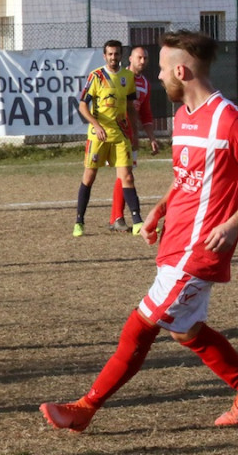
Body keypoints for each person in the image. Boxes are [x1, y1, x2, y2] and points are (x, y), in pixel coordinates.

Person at [41, 30, 238, 432]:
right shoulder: (183, 117)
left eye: (164, 69)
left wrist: (234, 224)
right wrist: (159, 210)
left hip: (198, 250)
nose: (157, 77)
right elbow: (186, 178)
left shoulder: (228, 119)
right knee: (187, 331)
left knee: (141, 324)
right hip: (175, 242)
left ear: (181, 71)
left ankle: (85, 408)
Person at [73, 40, 142, 237]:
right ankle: (79, 221)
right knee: (89, 176)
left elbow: (130, 107)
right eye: (110, 54)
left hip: (120, 134)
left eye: (117, 54)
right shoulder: (96, 76)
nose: (113, 57)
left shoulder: (128, 77)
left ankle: (137, 221)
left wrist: (134, 133)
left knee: (127, 177)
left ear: (121, 56)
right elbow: (82, 106)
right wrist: (96, 125)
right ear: (105, 56)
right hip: (98, 136)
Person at [108, 46, 161, 232]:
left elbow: (145, 113)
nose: (143, 61)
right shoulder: (120, 77)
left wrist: (151, 137)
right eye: (139, 57)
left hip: (132, 134)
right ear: (130, 58)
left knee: (125, 174)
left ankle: (117, 218)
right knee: (125, 173)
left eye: (145, 58)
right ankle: (118, 217)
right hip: (116, 132)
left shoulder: (144, 83)